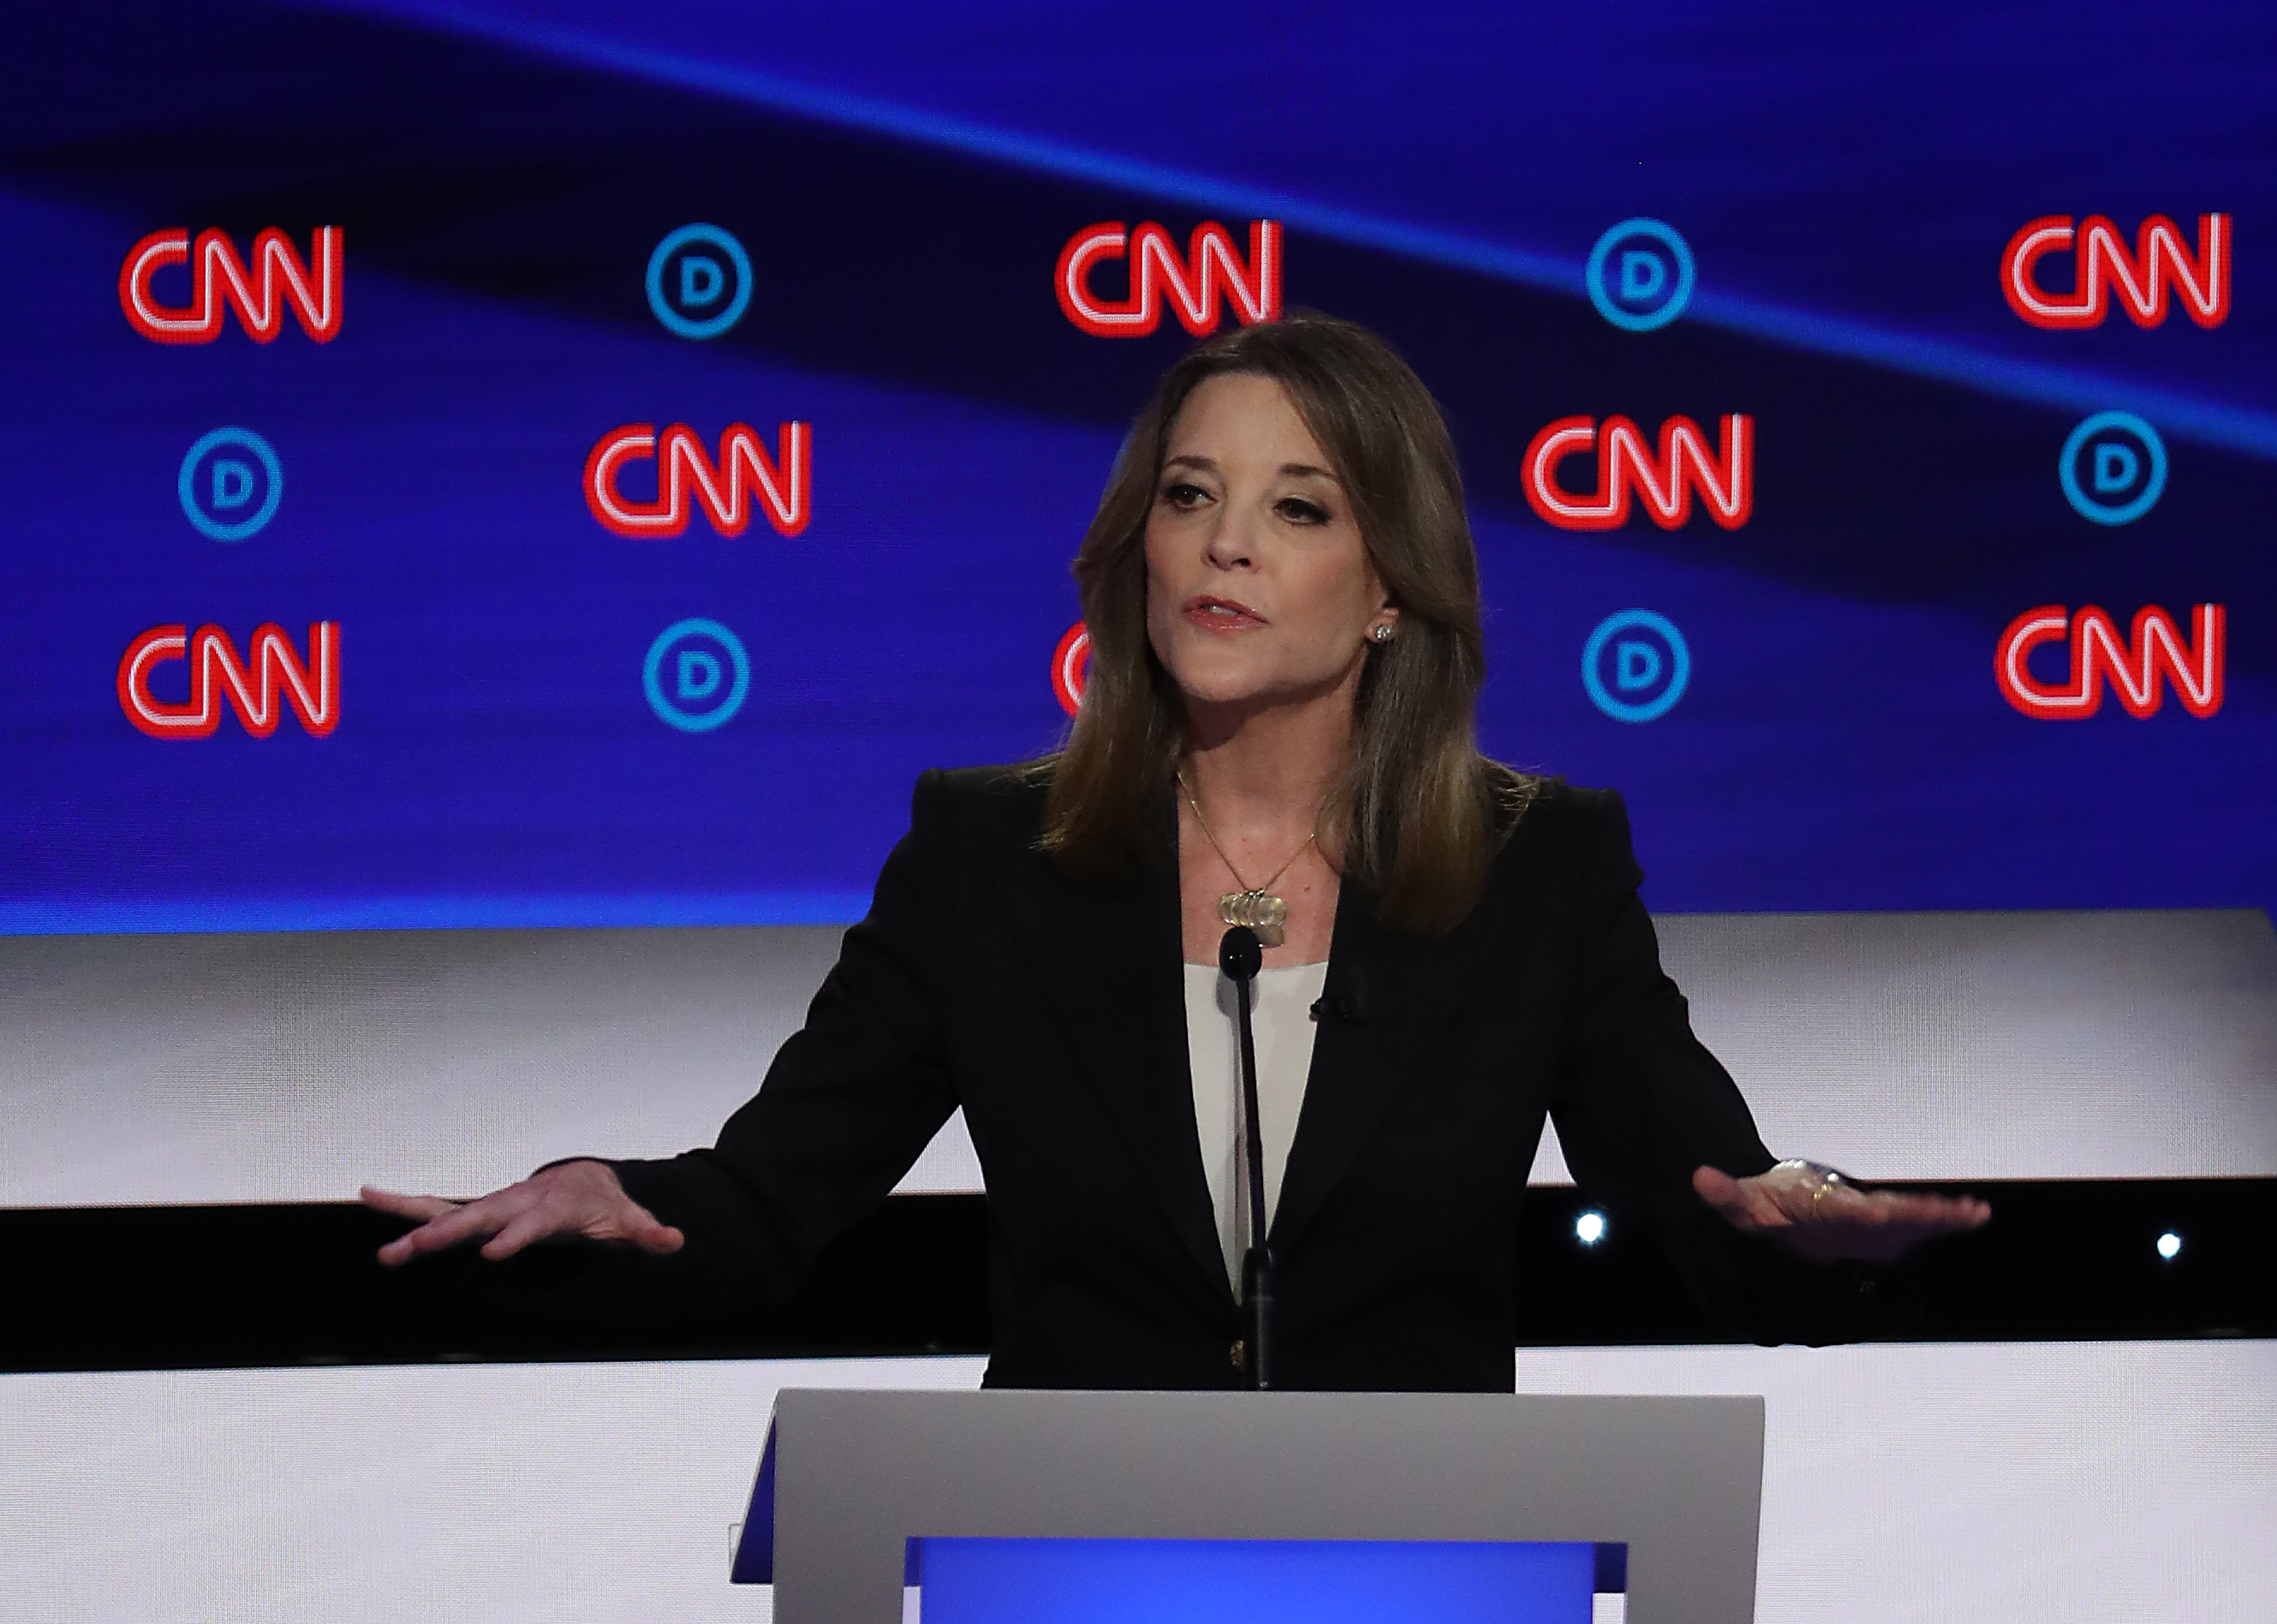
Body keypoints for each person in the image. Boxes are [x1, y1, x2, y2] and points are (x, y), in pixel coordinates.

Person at [365, 312, 1988, 1390]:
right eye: (1191, 493)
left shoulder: (1537, 866)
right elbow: (769, 1201)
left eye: (1299, 508)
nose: (1223, 541)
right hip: (1067, 1557)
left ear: (1389, 588)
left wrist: (1816, 1225)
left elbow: (1705, 1193)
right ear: (1134, 543)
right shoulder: (987, 856)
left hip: (1425, 1564)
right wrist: (613, 1203)